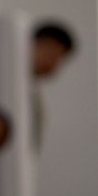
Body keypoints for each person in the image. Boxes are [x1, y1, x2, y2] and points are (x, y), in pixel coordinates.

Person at [30, 20, 76, 148]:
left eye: (59, 58)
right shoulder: (9, 86)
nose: (54, 63)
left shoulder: (31, 90)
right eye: (52, 53)